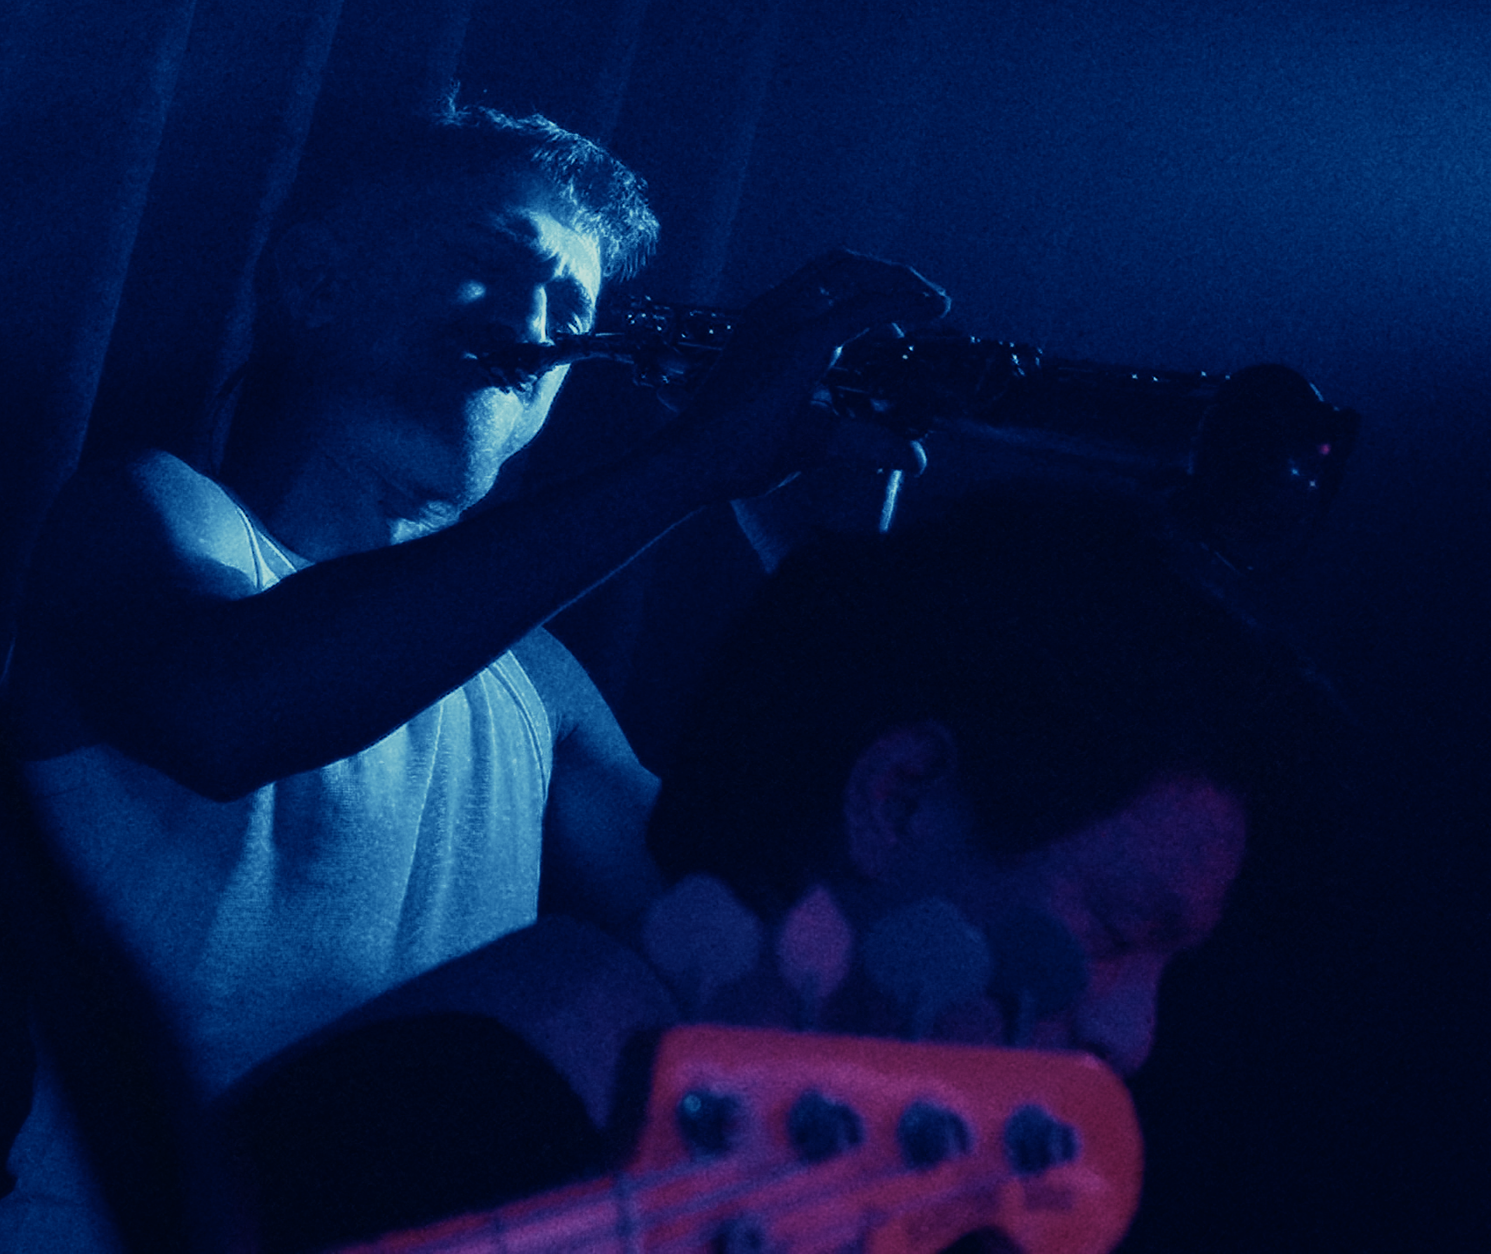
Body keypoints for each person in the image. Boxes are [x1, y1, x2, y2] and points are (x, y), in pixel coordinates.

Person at [0, 101, 947, 1253]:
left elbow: (754, 940)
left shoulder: (535, 679)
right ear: (315, 280)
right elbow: (223, 714)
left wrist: (828, 574)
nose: (537, 326)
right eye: (494, 261)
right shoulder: (151, 512)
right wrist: (700, 455)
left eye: (572, 311)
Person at [216, 485, 1331, 1254]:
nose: (1131, 1035)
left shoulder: (766, 1147)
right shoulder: (461, 1118)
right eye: (1117, 930)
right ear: (898, 799)